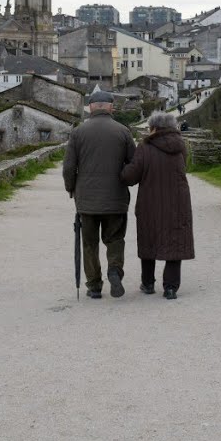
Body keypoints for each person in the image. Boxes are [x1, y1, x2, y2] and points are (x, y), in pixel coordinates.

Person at [63, 90, 135, 299]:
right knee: (114, 239)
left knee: (89, 244)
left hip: (87, 201)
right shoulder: (123, 131)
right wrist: (125, 180)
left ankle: (94, 285)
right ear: (111, 107)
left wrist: (71, 188)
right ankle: (114, 270)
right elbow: (134, 163)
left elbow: (69, 167)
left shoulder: (78, 132)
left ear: (91, 108)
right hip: (116, 198)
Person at [120, 112, 194, 299]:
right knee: (175, 240)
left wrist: (122, 168)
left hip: (150, 201)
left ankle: (148, 283)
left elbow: (130, 177)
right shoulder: (180, 146)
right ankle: (170, 288)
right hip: (178, 201)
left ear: (153, 128)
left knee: (149, 238)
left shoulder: (145, 147)